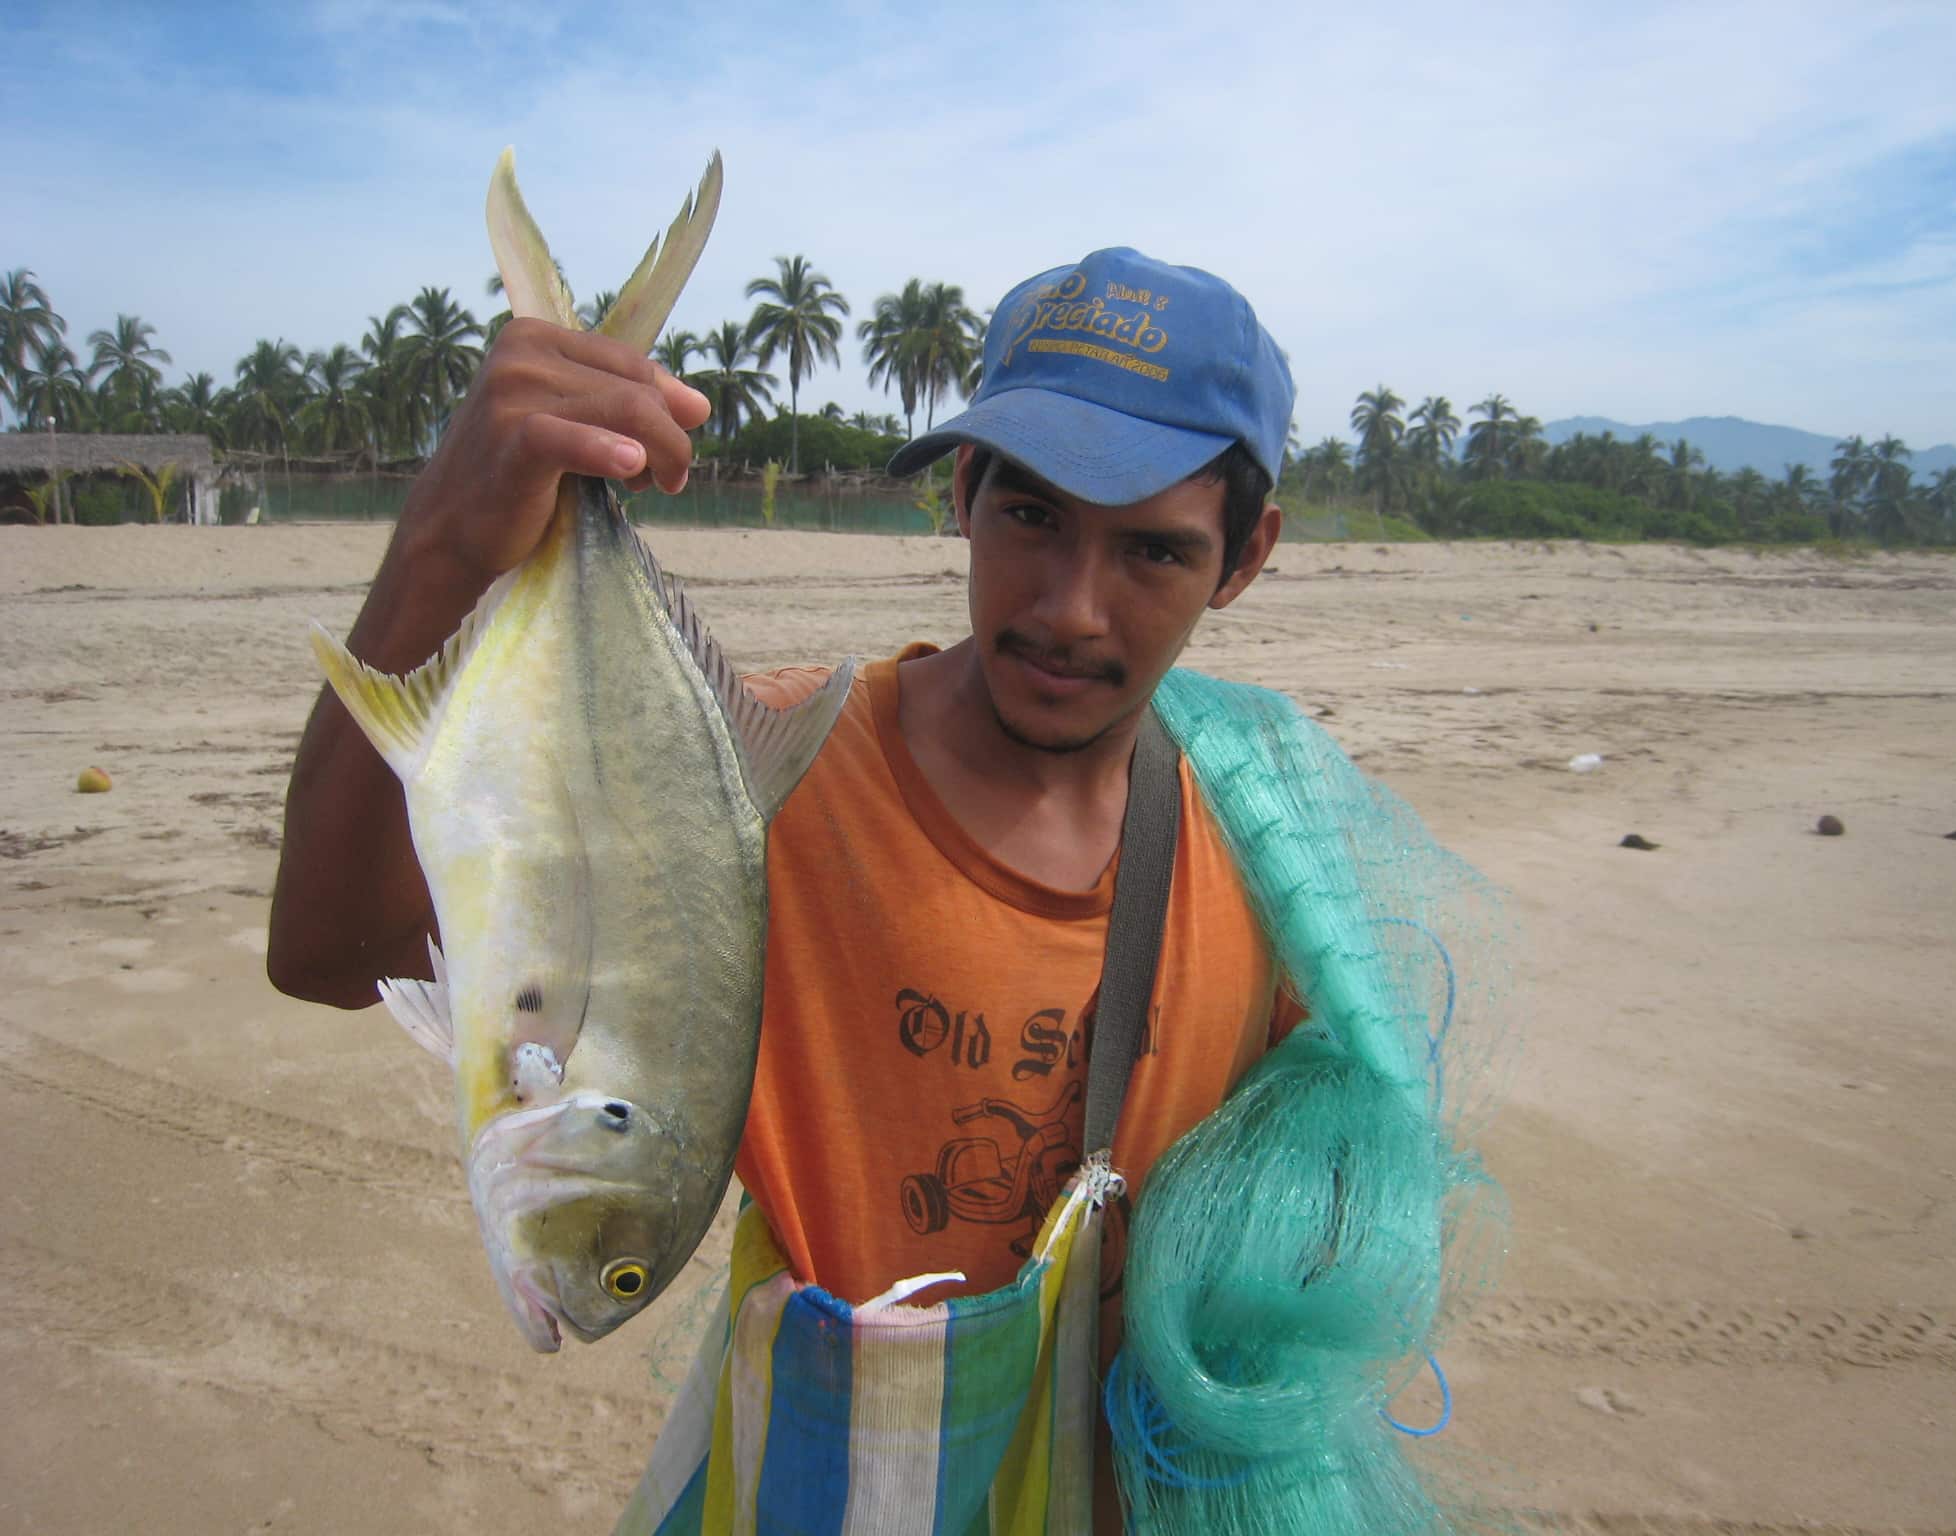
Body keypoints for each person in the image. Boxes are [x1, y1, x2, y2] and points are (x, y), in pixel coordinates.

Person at [269, 249, 1415, 1533]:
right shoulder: (758, 787)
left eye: (1153, 551)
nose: (1071, 611)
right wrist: (445, 535)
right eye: (1029, 516)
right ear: (963, 494)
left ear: (1245, 554)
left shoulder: (1264, 850)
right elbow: (328, 951)